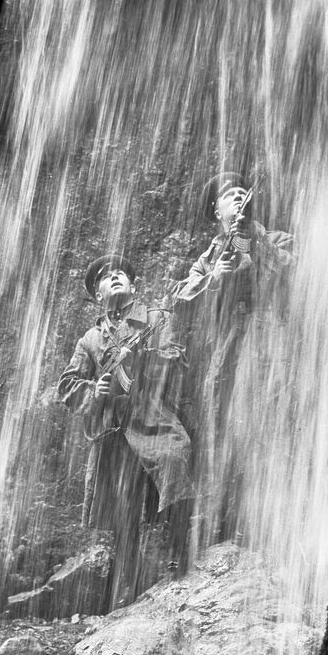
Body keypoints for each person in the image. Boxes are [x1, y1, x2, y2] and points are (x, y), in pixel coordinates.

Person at [58, 254, 194, 609]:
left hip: (151, 412)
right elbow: (67, 386)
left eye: (121, 273)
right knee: (124, 510)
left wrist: (147, 355)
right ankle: (123, 592)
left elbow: (177, 358)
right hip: (113, 429)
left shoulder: (155, 318)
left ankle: (181, 557)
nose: (115, 276)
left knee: (174, 458)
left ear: (134, 286)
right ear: (97, 296)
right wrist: (94, 390)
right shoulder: (89, 339)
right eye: (105, 276)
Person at [172, 172, 294, 544]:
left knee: (269, 418)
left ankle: (277, 512)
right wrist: (214, 280)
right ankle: (230, 515)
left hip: (268, 341)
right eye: (230, 195)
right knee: (225, 426)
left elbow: (291, 271)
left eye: (243, 192)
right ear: (217, 210)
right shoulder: (208, 257)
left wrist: (253, 240)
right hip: (224, 352)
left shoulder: (272, 237)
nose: (238, 197)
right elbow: (179, 301)